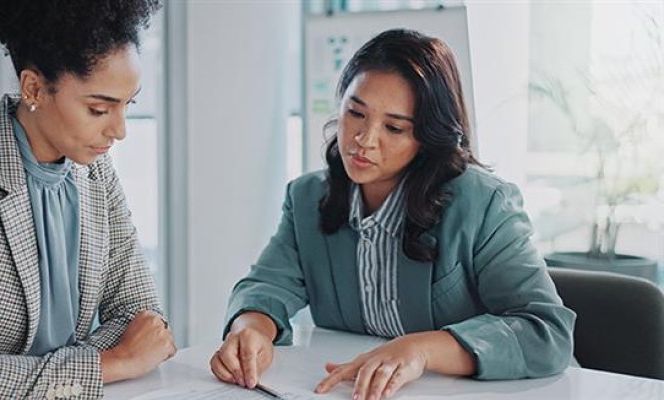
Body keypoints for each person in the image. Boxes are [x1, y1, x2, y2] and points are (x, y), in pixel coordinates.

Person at [210, 29, 575, 400]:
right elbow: (267, 285)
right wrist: (250, 328)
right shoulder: (307, 197)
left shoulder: (484, 203)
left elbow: (546, 332)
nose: (364, 139)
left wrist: (420, 349)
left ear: (428, 137)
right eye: (355, 113)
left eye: (394, 127)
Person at [0, 1, 175, 398]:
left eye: (128, 105)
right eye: (99, 109)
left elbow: (141, 317)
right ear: (34, 88)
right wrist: (110, 363)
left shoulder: (94, 173)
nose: (120, 130)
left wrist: (74, 373)